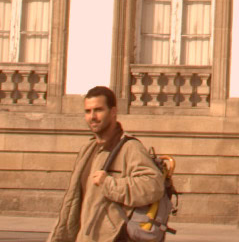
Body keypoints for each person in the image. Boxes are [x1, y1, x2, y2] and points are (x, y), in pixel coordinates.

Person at [47, 85, 165, 242]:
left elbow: (153, 186)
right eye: (88, 111)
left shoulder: (130, 147)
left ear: (113, 112)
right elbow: (73, 203)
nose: (92, 116)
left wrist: (109, 184)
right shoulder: (88, 149)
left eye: (98, 110)